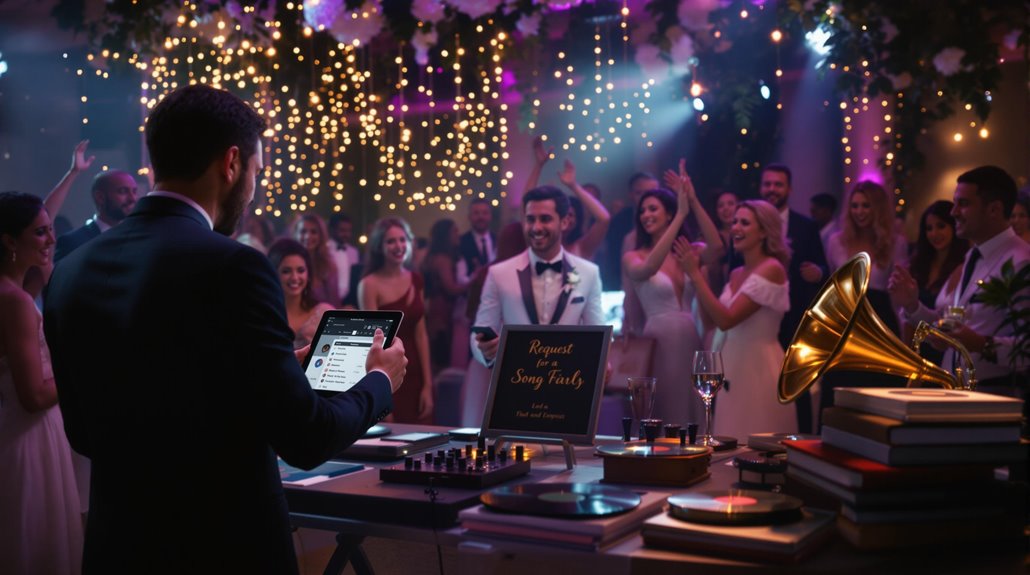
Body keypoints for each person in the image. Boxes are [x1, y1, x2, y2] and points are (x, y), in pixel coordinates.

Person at [43, 84, 406, 575]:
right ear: (231, 163)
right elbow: (307, 439)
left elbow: (84, 432)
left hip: (119, 545)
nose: (253, 188)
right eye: (256, 172)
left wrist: (273, 374)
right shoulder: (235, 267)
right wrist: (378, 380)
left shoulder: (71, 268)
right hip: (223, 545)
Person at [890, 165, 1030, 399]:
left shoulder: (1021, 263)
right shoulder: (973, 256)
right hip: (958, 393)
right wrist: (913, 306)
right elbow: (952, 328)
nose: (953, 212)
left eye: (963, 204)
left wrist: (980, 343)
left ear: (994, 209)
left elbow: (1026, 348)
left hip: (997, 397)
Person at [0, 192, 83, 575]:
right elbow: (33, 395)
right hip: (27, 437)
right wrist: (83, 372)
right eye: (41, 233)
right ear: (9, 241)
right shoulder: (13, 301)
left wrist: (71, 174)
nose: (52, 239)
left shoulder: (16, 292)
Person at [676, 199, 795, 440]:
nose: (736, 228)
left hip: (758, 367)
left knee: (756, 442)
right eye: (734, 222)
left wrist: (695, 274)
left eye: (745, 223)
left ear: (763, 231)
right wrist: (701, 276)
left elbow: (727, 319)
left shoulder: (772, 268)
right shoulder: (736, 273)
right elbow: (713, 321)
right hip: (732, 365)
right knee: (729, 439)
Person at [622, 161, 724, 428]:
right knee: (664, 409)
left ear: (666, 213)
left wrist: (692, 200)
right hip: (658, 339)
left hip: (690, 337)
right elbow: (649, 268)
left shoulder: (686, 251)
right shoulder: (634, 256)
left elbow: (716, 247)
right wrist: (680, 215)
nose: (645, 215)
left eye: (653, 208)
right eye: (642, 210)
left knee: (693, 408)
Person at [471, 185, 604, 367]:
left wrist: (602, 363)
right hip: (517, 381)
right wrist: (485, 351)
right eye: (530, 219)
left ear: (564, 222)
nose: (536, 227)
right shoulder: (499, 273)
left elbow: (598, 335)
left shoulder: (588, 273)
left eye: (545, 219)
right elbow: (479, 332)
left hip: (568, 382)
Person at [758, 163, 828, 433]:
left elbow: (823, 267)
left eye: (778, 184)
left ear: (789, 189)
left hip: (795, 317)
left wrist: (818, 272)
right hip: (758, 315)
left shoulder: (806, 226)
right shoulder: (748, 221)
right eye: (767, 184)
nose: (772, 190)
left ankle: (800, 441)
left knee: (796, 384)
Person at [359, 218, 434, 424]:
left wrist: (428, 385)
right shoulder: (369, 284)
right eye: (391, 241)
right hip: (388, 372)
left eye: (403, 240)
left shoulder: (416, 279)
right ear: (379, 246)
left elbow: (421, 334)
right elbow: (371, 344)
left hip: (416, 371)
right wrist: (381, 396)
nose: (399, 246)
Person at [461, 222, 526, 425]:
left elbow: (471, 313)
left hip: (485, 352)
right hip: (509, 357)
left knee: (479, 421)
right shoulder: (508, 274)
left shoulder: (486, 272)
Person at [524, 136, 611, 260]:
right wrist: (538, 166)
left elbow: (604, 219)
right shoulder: (538, 242)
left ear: (577, 220)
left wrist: (574, 186)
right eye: (562, 214)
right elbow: (527, 204)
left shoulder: (581, 247)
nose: (566, 219)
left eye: (570, 215)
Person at [904, 200, 969, 364]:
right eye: (929, 228)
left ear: (954, 227)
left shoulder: (964, 266)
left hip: (945, 349)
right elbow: (905, 313)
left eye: (941, 226)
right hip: (914, 349)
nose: (934, 233)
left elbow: (955, 318)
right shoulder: (919, 264)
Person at [54, 168, 138, 262]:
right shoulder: (73, 243)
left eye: (134, 191)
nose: (133, 198)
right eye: (123, 191)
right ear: (100, 197)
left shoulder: (137, 238)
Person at [267, 238, 335, 348]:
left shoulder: (324, 313)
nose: (294, 278)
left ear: (308, 273)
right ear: (274, 274)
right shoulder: (265, 313)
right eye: (286, 271)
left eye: (300, 270)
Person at [422, 218, 469, 373]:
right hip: (441, 312)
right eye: (454, 231)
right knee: (441, 355)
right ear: (446, 235)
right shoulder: (443, 259)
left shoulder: (434, 256)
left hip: (436, 309)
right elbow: (451, 288)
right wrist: (474, 282)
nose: (458, 235)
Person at [603, 171, 660, 291]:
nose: (646, 197)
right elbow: (612, 259)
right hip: (624, 284)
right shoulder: (619, 222)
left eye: (652, 192)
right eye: (640, 193)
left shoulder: (670, 220)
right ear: (631, 195)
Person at [293, 213, 349, 305]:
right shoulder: (288, 263)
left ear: (321, 236)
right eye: (303, 231)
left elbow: (334, 303)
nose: (308, 236)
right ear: (296, 234)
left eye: (313, 232)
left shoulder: (328, 265)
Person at [458, 198, 495, 280]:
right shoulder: (461, 242)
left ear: (490, 216)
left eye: (485, 213)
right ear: (469, 217)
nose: (481, 217)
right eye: (476, 213)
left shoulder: (498, 240)